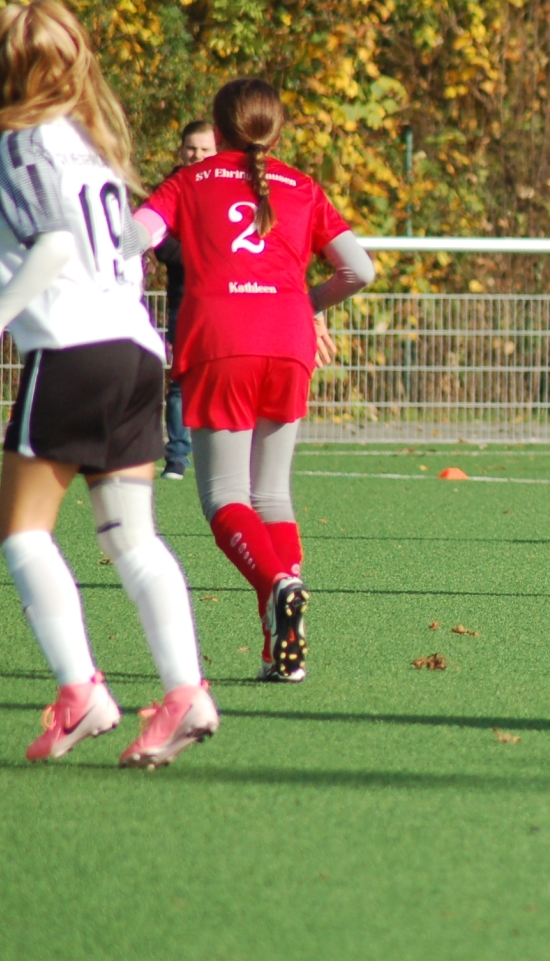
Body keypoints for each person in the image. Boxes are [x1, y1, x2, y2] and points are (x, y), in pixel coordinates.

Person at [0, 0, 215, 766]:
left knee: (22, 531)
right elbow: (123, 250)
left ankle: (81, 693)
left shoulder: (15, 143)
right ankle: (185, 693)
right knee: (132, 537)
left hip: (74, 349)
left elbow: (56, 246)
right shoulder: (88, 145)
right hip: (135, 349)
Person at [135, 78, 374, 683]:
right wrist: (304, 304)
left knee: (225, 497)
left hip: (221, 338)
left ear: (217, 130)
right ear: (278, 129)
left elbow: (132, 236)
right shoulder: (303, 185)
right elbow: (360, 270)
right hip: (289, 339)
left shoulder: (190, 180)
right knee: (271, 495)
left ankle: (277, 584)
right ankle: (279, 652)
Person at [150, 120, 218, 481]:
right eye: (192, 148)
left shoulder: (229, 188)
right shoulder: (171, 188)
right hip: (185, 299)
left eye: (205, 149)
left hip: (228, 300)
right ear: (181, 150)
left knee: (225, 375)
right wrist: (204, 255)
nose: (198, 155)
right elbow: (160, 243)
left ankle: (225, 454)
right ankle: (177, 456)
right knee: (182, 379)